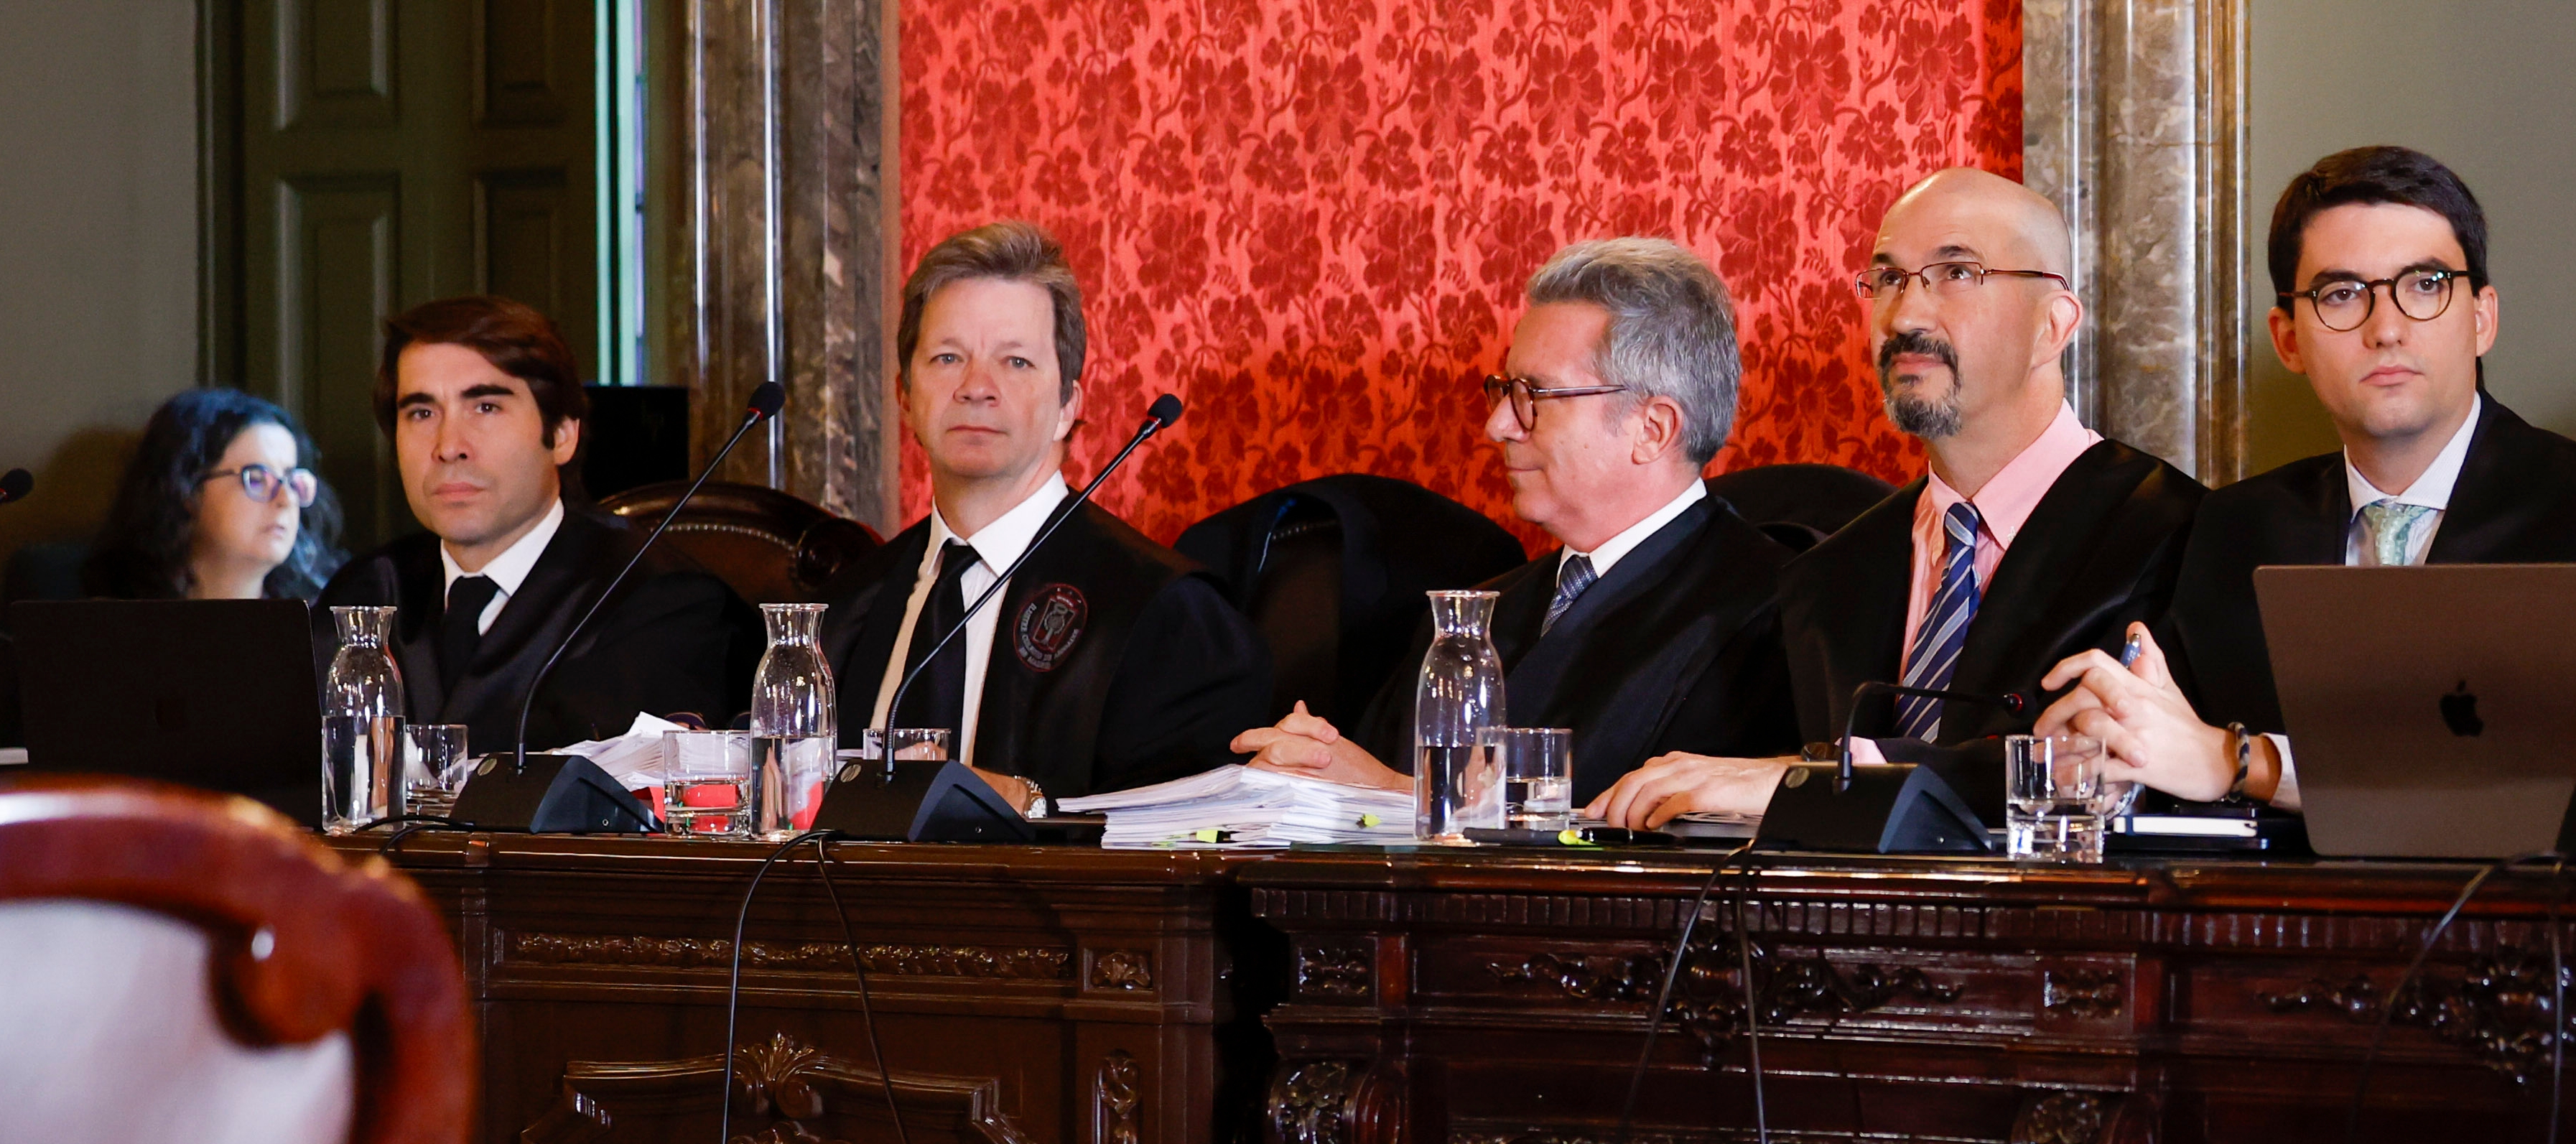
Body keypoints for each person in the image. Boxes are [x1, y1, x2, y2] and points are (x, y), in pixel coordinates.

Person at [2065, 145, 2576, 808]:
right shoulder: (2231, 532)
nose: (2388, 328)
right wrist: (2109, 740)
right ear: (2288, 339)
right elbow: (2162, 753)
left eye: (2425, 286)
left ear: (2483, 317)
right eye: (2342, 295)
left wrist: (2240, 761)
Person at [1588, 167, 2202, 829]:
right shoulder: (1831, 573)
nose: (1904, 316)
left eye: (1957, 273)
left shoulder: (2177, 533)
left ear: (2053, 325)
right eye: (1887, 279)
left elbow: (2108, 769)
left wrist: (1817, 780)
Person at [1234, 238, 1791, 800]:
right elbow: (1369, 776)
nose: (1498, 425)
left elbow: (1651, 830)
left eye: (1534, 395)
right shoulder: (1473, 615)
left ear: (1652, 429)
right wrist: (1317, 768)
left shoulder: (1770, 611)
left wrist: (1383, 793)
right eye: (1504, 391)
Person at [822, 221, 1266, 810]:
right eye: (948, 357)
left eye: (1017, 363)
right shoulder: (847, 609)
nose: (977, 388)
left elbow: (1191, 838)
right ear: (905, 395)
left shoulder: (1165, 615)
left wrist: (1031, 803)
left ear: (1068, 407)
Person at [317, 297, 757, 744]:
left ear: (562, 435)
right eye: (422, 413)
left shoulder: (660, 600)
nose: (449, 446)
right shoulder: (366, 591)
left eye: (486, 407)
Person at [78, 389, 344, 602]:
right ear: (186, 490)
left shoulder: (324, 625)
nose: (286, 500)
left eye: (292, 480)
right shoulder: (110, 624)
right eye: (258, 479)